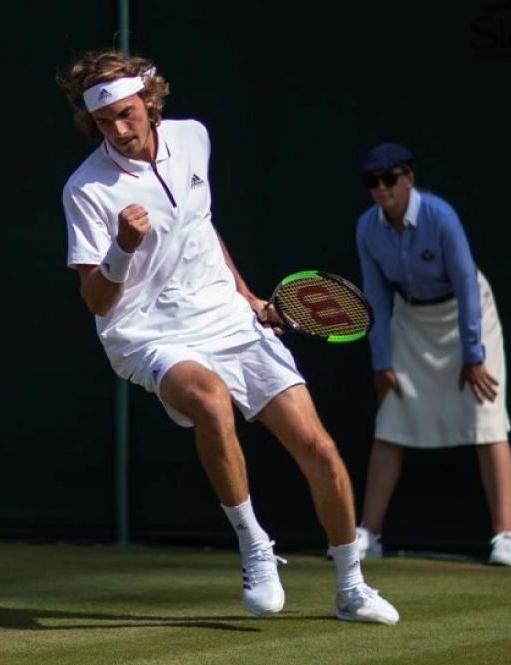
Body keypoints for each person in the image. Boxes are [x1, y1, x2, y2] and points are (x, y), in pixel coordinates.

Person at [57, 50, 399, 624]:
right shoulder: (85, 189)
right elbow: (96, 300)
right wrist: (121, 248)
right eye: (104, 120)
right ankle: (254, 546)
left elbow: (200, 225)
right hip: (146, 332)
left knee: (318, 448)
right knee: (211, 401)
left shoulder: (193, 138)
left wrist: (248, 297)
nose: (118, 129)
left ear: (149, 103)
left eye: (126, 113)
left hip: (225, 315)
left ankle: (351, 587)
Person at [352, 142, 511, 566]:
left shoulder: (440, 217)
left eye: (389, 179)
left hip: (468, 314)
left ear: (409, 178)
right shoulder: (367, 228)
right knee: (390, 422)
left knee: (487, 419)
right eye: (372, 182)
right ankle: (369, 534)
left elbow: (466, 285)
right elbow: (376, 298)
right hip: (411, 321)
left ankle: (505, 536)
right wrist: (382, 362)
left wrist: (473, 354)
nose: (381, 189)